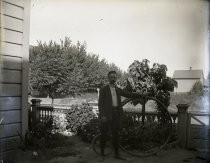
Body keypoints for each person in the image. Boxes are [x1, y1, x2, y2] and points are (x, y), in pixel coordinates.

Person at [98, 70, 147, 160]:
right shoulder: (103, 89)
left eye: (114, 77)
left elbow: (129, 94)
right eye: (111, 77)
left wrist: (139, 94)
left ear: (116, 78)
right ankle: (102, 154)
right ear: (108, 78)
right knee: (104, 134)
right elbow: (100, 104)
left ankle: (117, 154)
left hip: (116, 114)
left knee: (116, 135)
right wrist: (102, 116)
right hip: (106, 115)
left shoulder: (118, 89)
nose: (113, 78)